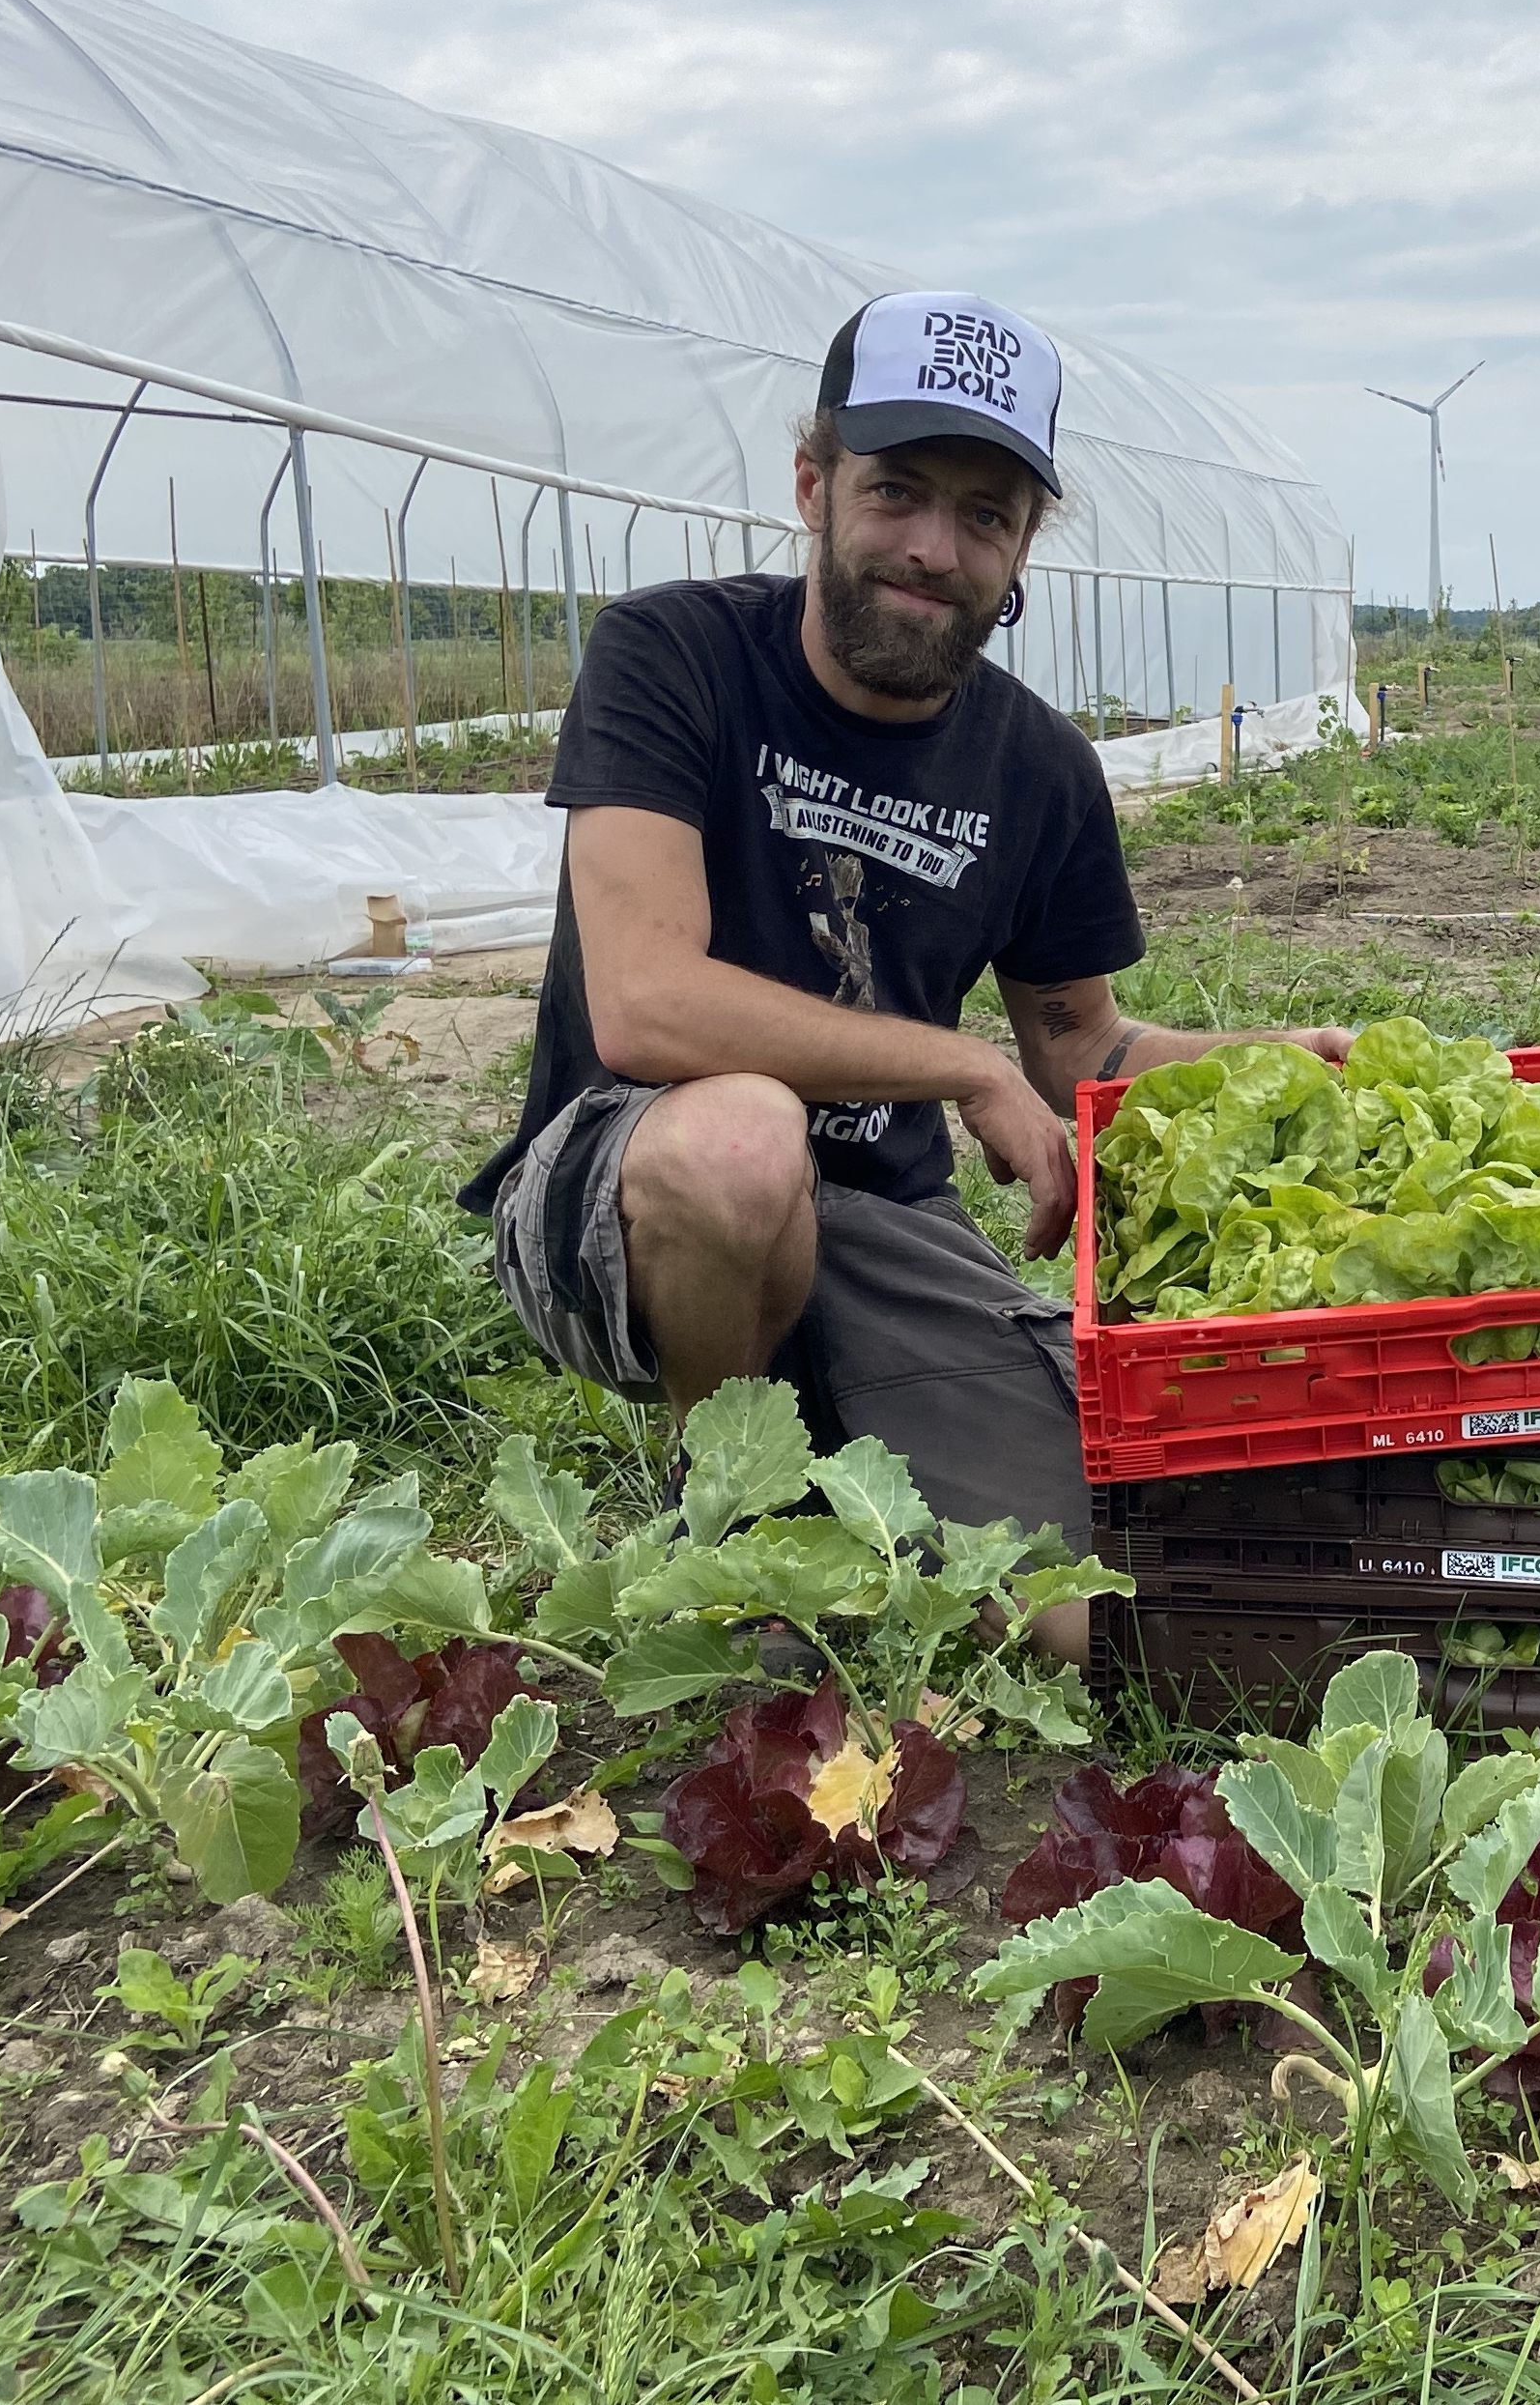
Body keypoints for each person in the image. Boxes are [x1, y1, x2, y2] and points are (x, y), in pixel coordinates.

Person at [463, 291, 1345, 1615]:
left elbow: (1081, 1044)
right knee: (741, 1144)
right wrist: (958, 1068)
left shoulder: (1040, 766)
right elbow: (643, 1004)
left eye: (984, 513)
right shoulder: (674, 654)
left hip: (880, 1220)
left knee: (1089, 1600)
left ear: (1024, 542)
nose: (934, 547)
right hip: (628, 1193)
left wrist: (1280, 1064)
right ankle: (732, 1518)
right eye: (898, 493)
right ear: (814, 485)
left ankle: (844, 1453)